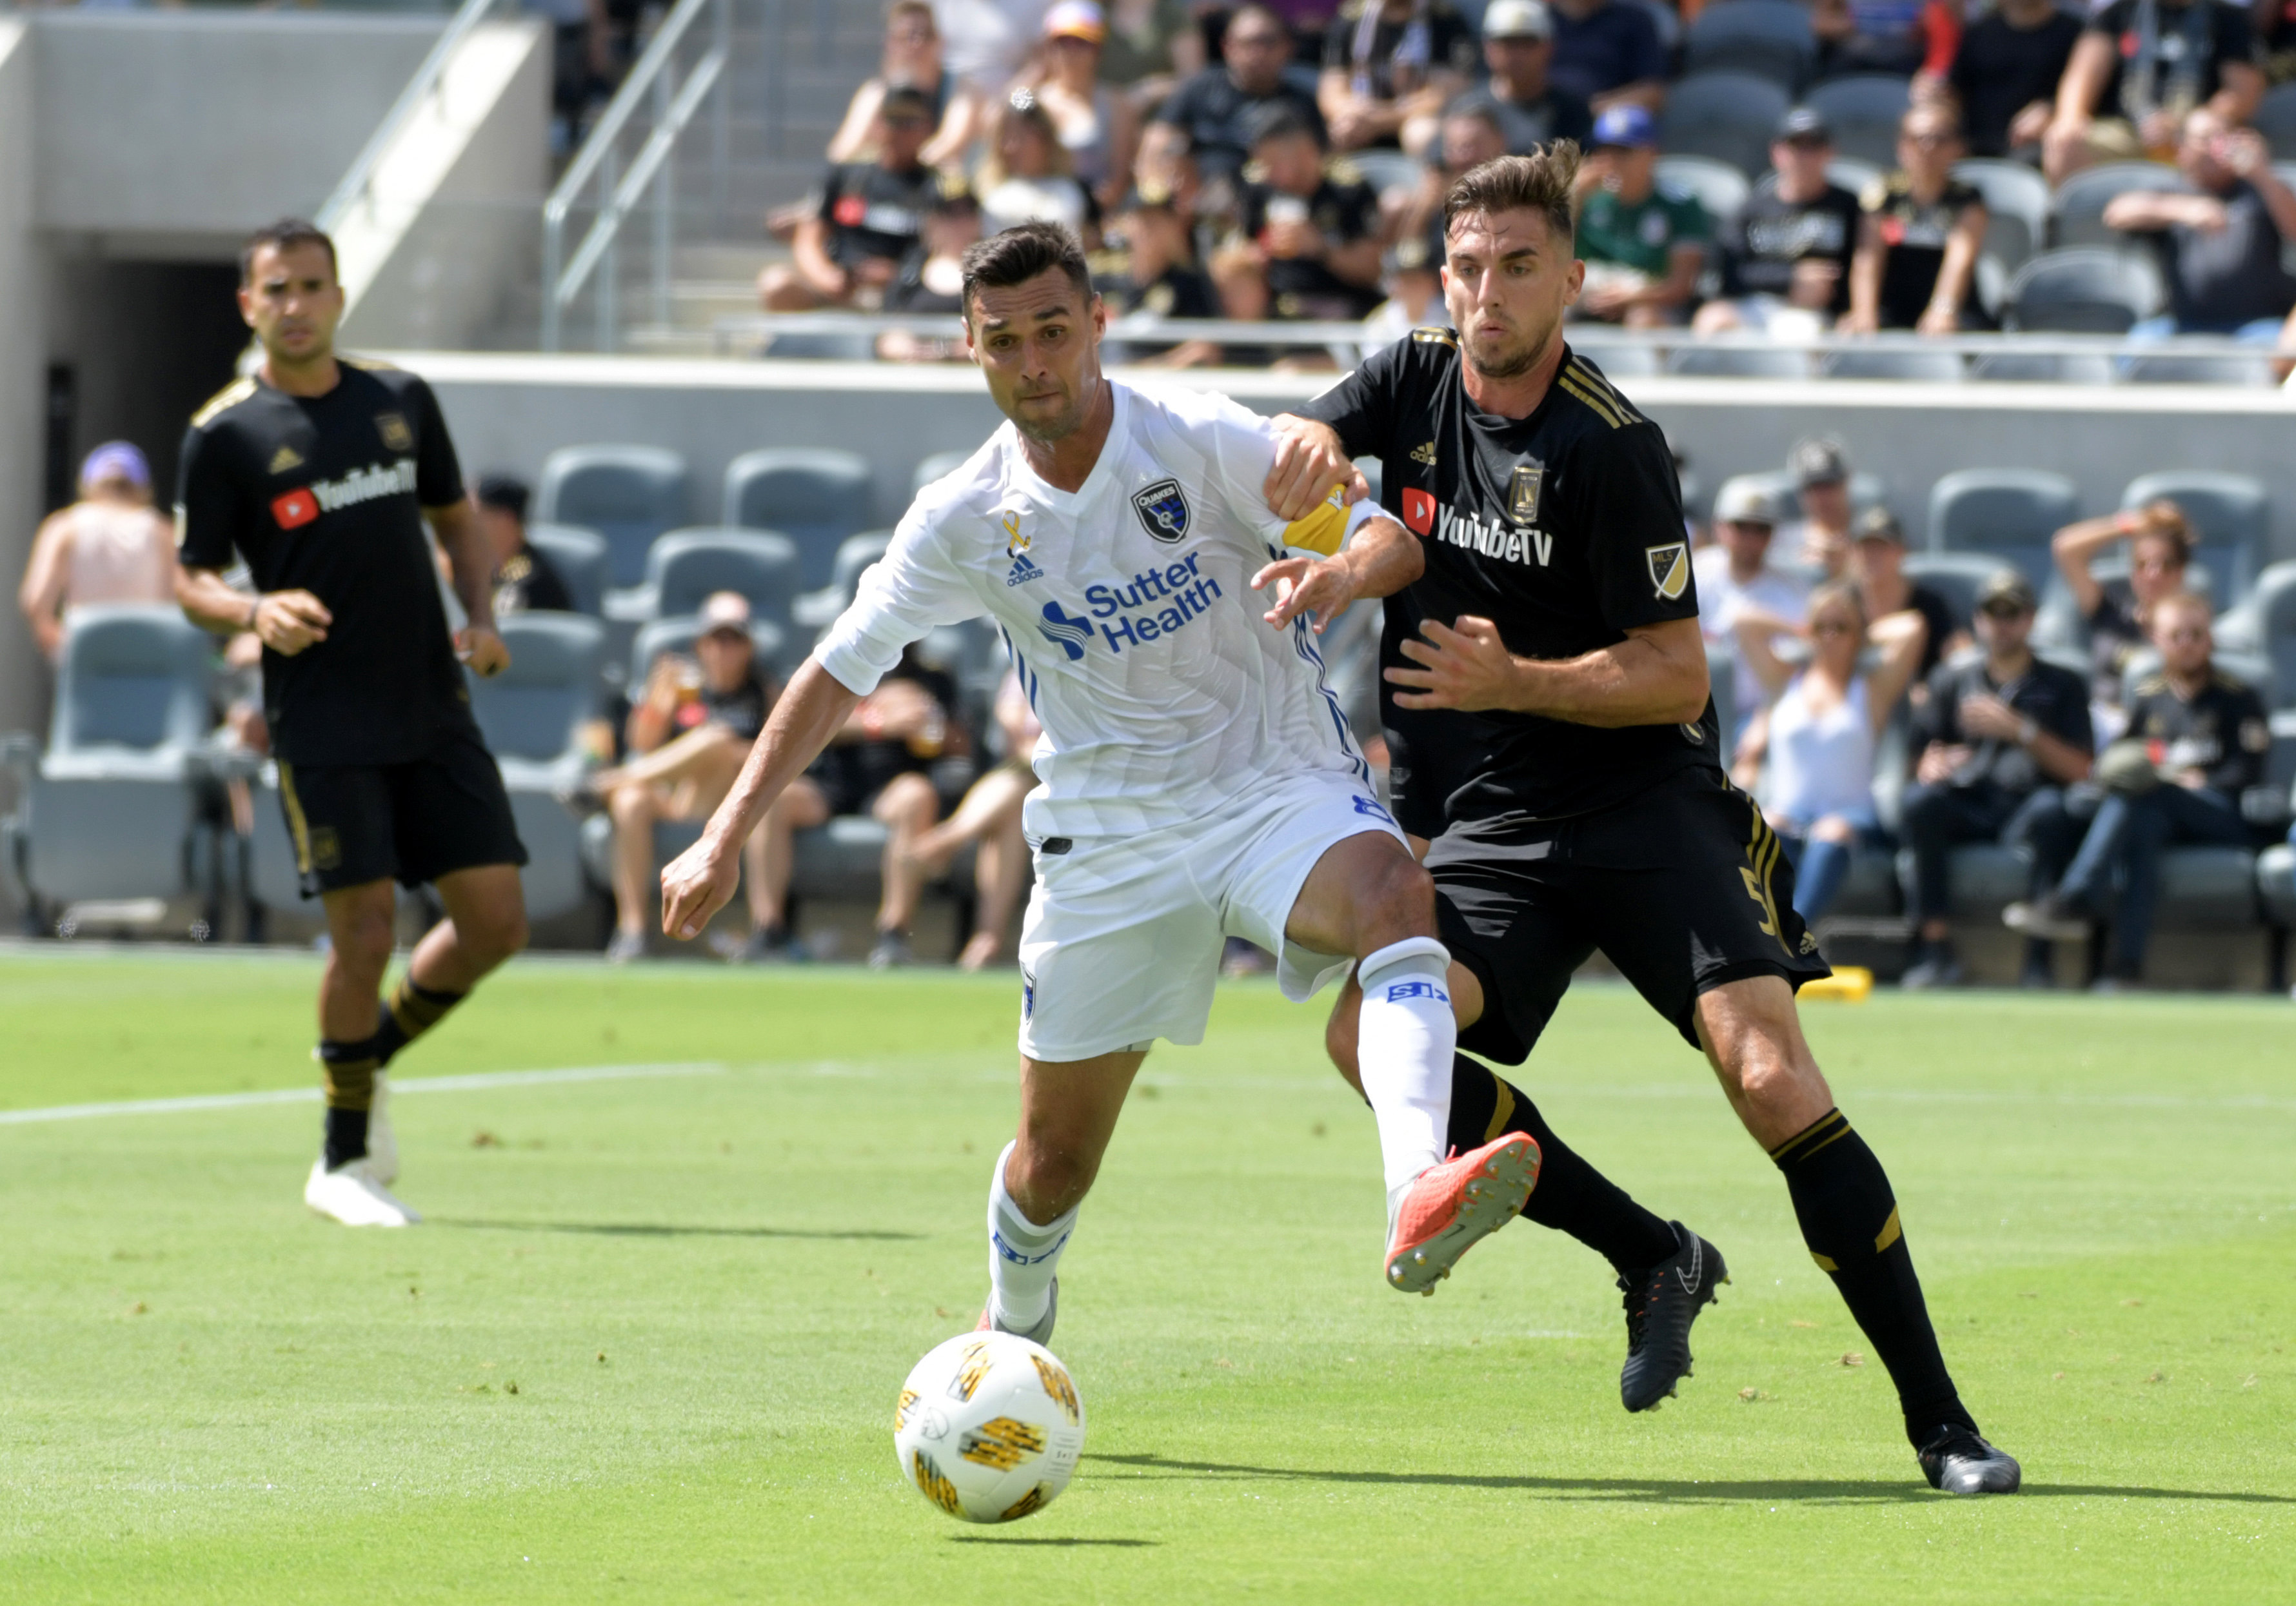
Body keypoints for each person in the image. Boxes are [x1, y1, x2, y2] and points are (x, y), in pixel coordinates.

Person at [1263, 147, 2022, 1494]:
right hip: (1494, 821)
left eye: (1512, 267)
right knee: (1373, 1039)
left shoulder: (1612, 448)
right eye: (1462, 266)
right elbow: (1304, 452)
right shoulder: (1406, 377)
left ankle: (1941, 1424)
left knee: (1772, 1080)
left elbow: (1676, 672)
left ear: (1571, 279)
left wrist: (1513, 680)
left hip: (1644, 803)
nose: (1482, 292)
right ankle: (1649, 1253)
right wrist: (1308, 455)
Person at [657, 219, 1543, 1351]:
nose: (1035, 364)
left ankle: (1416, 1187)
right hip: (1108, 834)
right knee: (1053, 1161)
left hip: (1272, 781)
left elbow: (1390, 544)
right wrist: (726, 832)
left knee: (1392, 902)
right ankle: (1016, 1325)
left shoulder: (1202, 437)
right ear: (972, 354)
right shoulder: (963, 517)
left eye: (1055, 332)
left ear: (1099, 328)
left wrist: (1339, 569)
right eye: (1005, 342)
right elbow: (839, 670)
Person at [174, 219, 528, 1228]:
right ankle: (340, 1160)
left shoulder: (399, 399)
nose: (295, 303)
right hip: (321, 719)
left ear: (337, 296)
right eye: (275, 288)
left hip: (431, 701)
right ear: (249, 305)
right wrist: (253, 610)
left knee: (498, 922)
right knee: (365, 932)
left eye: (312, 285)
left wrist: (483, 615)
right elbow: (190, 576)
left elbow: (456, 516)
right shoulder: (225, 433)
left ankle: (355, 1064)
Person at [2004, 591, 2269, 986]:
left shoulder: (2238, 697)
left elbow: (2249, 771)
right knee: (2141, 821)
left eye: (2196, 635)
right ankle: (2125, 969)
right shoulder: (2149, 698)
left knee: (2146, 793)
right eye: (2177, 635)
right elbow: (2122, 761)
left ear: (2210, 638)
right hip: (2157, 811)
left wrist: (2199, 780)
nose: (2188, 644)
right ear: (2158, 640)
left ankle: (2076, 895)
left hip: (2217, 813)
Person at [1897, 570, 2093, 990]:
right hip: (1969, 801)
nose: (2002, 623)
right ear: (1977, 619)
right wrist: (1929, 766)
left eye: (2013, 612)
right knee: (1919, 802)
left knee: (2053, 812)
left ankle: (2038, 960)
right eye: (1992, 612)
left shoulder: (2062, 684)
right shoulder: (1951, 680)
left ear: (2032, 619)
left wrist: (2020, 730)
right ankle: (1935, 949)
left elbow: (2082, 769)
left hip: (2028, 805)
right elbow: (1916, 757)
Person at [591, 594, 785, 961]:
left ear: (750, 647)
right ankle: (631, 931)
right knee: (631, 801)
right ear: (701, 644)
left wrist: (721, 751)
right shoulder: (681, 686)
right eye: (717, 639)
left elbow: (778, 753)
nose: (725, 649)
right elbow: (641, 744)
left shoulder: (763, 690)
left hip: (729, 799)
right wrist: (658, 700)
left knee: (716, 739)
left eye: (735, 640)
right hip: (677, 796)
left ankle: (610, 782)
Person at [1730, 582, 1928, 923]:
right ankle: (1765, 939)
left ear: (1858, 634)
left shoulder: (1872, 688)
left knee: (1831, 832)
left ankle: (1794, 937)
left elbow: (1914, 628)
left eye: (1841, 628)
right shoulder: (1785, 682)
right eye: (1822, 627)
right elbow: (1744, 622)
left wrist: (1864, 635)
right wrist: (1799, 629)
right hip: (1790, 812)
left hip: (1850, 816)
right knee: (1771, 826)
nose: (1830, 636)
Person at [2105, 109, 2296, 341]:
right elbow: (2116, 213)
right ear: (2183, 150)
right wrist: (2184, 210)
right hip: (2183, 324)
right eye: (2206, 139)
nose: (2218, 147)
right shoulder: (2173, 192)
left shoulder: (2260, 190)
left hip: (2256, 326)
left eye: (2224, 137)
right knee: (2138, 346)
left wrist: (2262, 174)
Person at [760, 84, 943, 312]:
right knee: (776, 283)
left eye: (911, 122)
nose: (900, 130)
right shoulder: (847, 176)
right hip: (839, 284)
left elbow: (946, 254)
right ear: (877, 124)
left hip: (901, 293)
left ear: (929, 128)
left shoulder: (938, 187)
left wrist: (898, 276)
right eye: (893, 120)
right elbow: (809, 238)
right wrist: (826, 277)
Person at [2044, 0, 2266, 183]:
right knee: (2064, 143)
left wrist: (2185, 124)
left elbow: (2242, 92)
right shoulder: (2120, 12)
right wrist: (2069, 118)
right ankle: (2071, 231)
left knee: (2212, 145)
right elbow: (2082, 73)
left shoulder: (2228, 18)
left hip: (2190, 138)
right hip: (2128, 131)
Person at [908, 667, 1042, 969]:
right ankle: (987, 940)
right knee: (1011, 814)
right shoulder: (1023, 669)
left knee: (1014, 789)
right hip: (1024, 775)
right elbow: (1012, 729)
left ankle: (949, 839)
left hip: (1073, 781)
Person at [1695, 108, 1862, 336]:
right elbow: (1729, 275)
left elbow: (1862, 266)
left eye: (1813, 146)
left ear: (1830, 152)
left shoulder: (1847, 206)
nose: (1804, 156)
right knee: (1711, 319)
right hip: (1759, 303)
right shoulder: (1751, 209)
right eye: (1795, 146)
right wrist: (1790, 278)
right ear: (1777, 153)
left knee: (1799, 330)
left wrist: (1847, 308)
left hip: (1819, 310)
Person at [1144, 5, 1329, 199]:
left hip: (1279, 209)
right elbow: (1157, 142)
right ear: (1227, 47)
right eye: (1248, 43)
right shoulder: (1199, 89)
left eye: (1268, 42)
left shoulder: (1303, 102)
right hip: (1200, 204)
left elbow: (1317, 168)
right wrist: (1158, 196)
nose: (1258, 52)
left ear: (1287, 47)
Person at [19, 441, 177, 663]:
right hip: (146, 660)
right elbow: (180, 603)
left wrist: (60, 649)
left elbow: (35, 602)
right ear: (144, 489)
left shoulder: (65, 527)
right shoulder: (163, 533)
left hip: (85, 658)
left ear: (87, 485)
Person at [1843, 103, 1987, 336]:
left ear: (1957, 147)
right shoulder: (1884, 195)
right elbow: (1868, 258)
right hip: (1893, 305)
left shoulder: (1967, 199)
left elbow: (1960, 259)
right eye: (1917, 139)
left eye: (1938, 139)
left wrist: (1943, 310)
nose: (1927, 148)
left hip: (1954, 306)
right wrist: (1864, 311)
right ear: (1901, 146)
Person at [1236, 106, 1387, 321]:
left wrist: (1320, 248)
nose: (1267, 172)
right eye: (1263, 164)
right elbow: (1241, 247)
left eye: (1275, 163)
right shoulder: (1260, 190)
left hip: (1339, 306)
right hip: (1277, 304)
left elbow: (1373, 270)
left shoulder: (1346, 191)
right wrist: (1257, 253)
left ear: (1307, 152)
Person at [2052, 498, 2199, 713]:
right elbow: (2065, 548)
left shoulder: (2191, 626)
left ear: (2182, 571)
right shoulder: (2110, 611)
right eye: (2143, 564)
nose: (2153, 574)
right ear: (2132, 571)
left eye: (2166, 565)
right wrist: (2133, 525)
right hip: (2107, 721)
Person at [1571, 108, 1708, 326]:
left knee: (1643, 318)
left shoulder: (1680, 205)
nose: (1611, 162)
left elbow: (1681, 286)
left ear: (1652, 153)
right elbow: (1557, 262)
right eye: (1604, 152)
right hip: (1590, 294)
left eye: (1623, 152)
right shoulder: (1586, 199)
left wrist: (1630, 297)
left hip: (1651, 301)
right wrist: (1573, 199)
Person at [1692, 477, 1808, 719]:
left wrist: (1767, 718)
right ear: (1719, 527)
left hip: (1759, 715)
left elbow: (1797, 674)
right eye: (1741, 526)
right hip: (1698, 710)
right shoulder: (1696, 574)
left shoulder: (1792, 592)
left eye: (1761, 529)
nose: (1751, 539)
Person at [825, 1, 984, 170]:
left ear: (939, 41)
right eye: (907, 36)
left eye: (924, 35)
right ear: (890, 43)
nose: (916, 44)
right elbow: (842, 151)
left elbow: (949, 144)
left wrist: (900, 157)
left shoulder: (961, 90)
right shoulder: (877, 92)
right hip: (887, 180)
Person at [1018, 2, 1138, 208]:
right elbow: (1000, 117)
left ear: (1098, 50)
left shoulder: (1116, 104)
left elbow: (1118, 179)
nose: (1071, 52)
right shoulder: (1033, 100)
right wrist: (1035, 71)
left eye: (1082, 43)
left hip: (1095, 210)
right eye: (1062, 42)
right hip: (1041, 207)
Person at [1318, 0, 1478, 154]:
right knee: (1337, 131)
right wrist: (1352, 112)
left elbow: (1449, 92)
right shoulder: (1351, 17)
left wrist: (1381, 120)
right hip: (1361, 119)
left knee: (1422, 134)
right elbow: (1331, 90)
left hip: (1414, 118)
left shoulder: (1443, 18)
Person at [1443, 0, 1594, 157]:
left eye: (1528, 43)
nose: (1518, 55)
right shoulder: (1466, 108)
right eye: (1508, 43)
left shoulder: (1573, 111)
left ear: (1549, 47)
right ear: (1488, 48)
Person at [1103, 183, 1225, 366]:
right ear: (1125, 224)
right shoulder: (1103, 278)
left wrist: (1150, 369)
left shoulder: (1189, 284)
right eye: (1142, 220)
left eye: (1159, 221)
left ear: (1173, 227)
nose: (1150, 230)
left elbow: (1205, 350)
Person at [1946, 0, 2083, 160]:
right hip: (1977, 146)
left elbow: (2097, 96)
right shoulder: (1978, 32)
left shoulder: (2075, 32)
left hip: (2042, 148)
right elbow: (1956, 89)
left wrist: (2052, 109)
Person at [1850, 506, 1962, 685]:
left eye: (1882, 547)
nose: (1872, 555)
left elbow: (1956, 652)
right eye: (1865, 547)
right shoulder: (1843, 603)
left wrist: (1931, 691)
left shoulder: (1930, 606)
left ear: (1901, 551)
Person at [879, 189, 986, 362]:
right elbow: (887, 330)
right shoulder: (911, 271)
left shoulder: (989, 274)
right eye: (950, 216)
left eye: (968, 214)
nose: (960, 224)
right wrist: (906, 348)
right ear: (933, 220)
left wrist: (947, 352)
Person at [978, 89, 1098, 239]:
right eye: (1004, 138)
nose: (1011, 147)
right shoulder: (985, 196)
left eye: (1021, 137)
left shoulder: (1076, 190)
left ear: (1044, 137)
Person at [471, 474, 573, 617]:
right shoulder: (502, 567)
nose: (470, 525)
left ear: (505, 519)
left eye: (477, 515)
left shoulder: (529, 581)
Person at [1545, 0, 1667, 115]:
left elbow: (1653, 93)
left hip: (1606, 120)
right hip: (1542, 118)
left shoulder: (1634, 20)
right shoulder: (1537, 19)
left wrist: (1588, 110)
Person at [1811, 0, 1961, 81]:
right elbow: (1821, 24)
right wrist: (1852, 26)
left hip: (1906, 60)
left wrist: (1932, 74)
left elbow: (1943, 31)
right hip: (1853, 59)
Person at [1779, 435, 1857, 580]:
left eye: (1830, 485)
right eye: (1814, 487)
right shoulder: (1782, 540)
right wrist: (1801, 565)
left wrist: (1851, 561)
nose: (1823, 497)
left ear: (1846, 484)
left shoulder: (1869, 536)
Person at [1360, 233, 1450, 351]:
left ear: (1433, 283)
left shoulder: (1452, 317)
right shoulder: (1380, 324)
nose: (1411, 288)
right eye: (1405, 281)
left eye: (1416, 280)